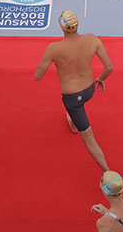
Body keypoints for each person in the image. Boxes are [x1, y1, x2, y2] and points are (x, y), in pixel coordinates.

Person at [34, 10, 113, 171]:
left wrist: (57, 61)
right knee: (76, 110)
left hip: (72, 98)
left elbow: (37, 76)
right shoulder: (92, 39)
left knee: (89, 138)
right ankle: (72, 120)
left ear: (62, 28)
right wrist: (101, 79)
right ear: (77, 25)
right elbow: (109, 67)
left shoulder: (54, 48)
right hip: (89, 90)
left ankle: (108, 173)